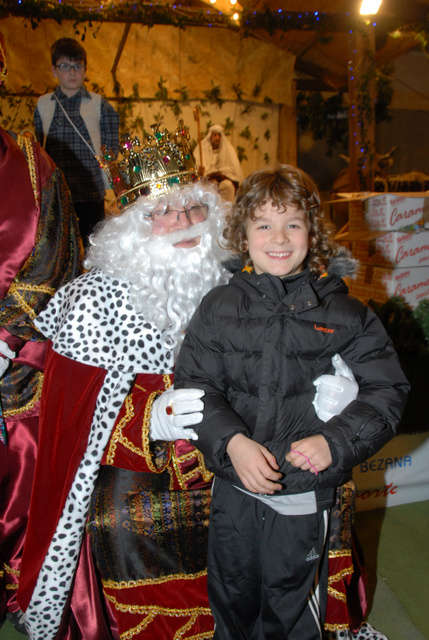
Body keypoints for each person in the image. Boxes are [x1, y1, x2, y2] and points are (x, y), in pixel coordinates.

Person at [174, 165, 410, 640]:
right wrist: (232, 442)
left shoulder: (346, 314)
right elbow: (194, 385)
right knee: (231, 600)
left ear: (313, 233)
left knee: (291, 609)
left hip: (303, 493)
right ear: (243, 234)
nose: (278, 237)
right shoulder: (218, 306)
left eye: (293, 223)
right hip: (234, 490)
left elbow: (387, 390)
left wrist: (334, 441)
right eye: (264, 224)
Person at [17, 123, 232, 640]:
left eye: (194, 208)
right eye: (164, 211)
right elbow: (71, 425)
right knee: (121, 519)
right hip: (130, 459)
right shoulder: (94, 300)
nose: (184, 223)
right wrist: (150, 420)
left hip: (226, 443)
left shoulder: (232, 282)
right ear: (135, 225)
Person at [0, 31, 83, 633]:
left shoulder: (33, 165)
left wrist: (4, 339)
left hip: (17, 375)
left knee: (23, 481)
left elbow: (57, 259)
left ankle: (23, 590)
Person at [34, 37, 120, 246]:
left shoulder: (99, 104)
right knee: (58, 245)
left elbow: (111, 147)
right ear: (54, 70)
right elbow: (39, 146)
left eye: (77, 66)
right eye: (65, 66)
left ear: (85, 70)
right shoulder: (43, 104)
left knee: (93, 243)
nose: (72, 72)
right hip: (57, 191)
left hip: (91, 190)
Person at [197, 124, 244, 202]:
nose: (217, 138)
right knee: (210, 187)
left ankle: (228, 209)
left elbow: (232, 170)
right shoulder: (202, 150)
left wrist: (220, 174)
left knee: (228, 186)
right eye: (215, 135)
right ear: (210, 137)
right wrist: (201, 172)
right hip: (208, 181)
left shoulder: (228, 151)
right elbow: (197, 168)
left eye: (219, 135)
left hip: (222, 180)